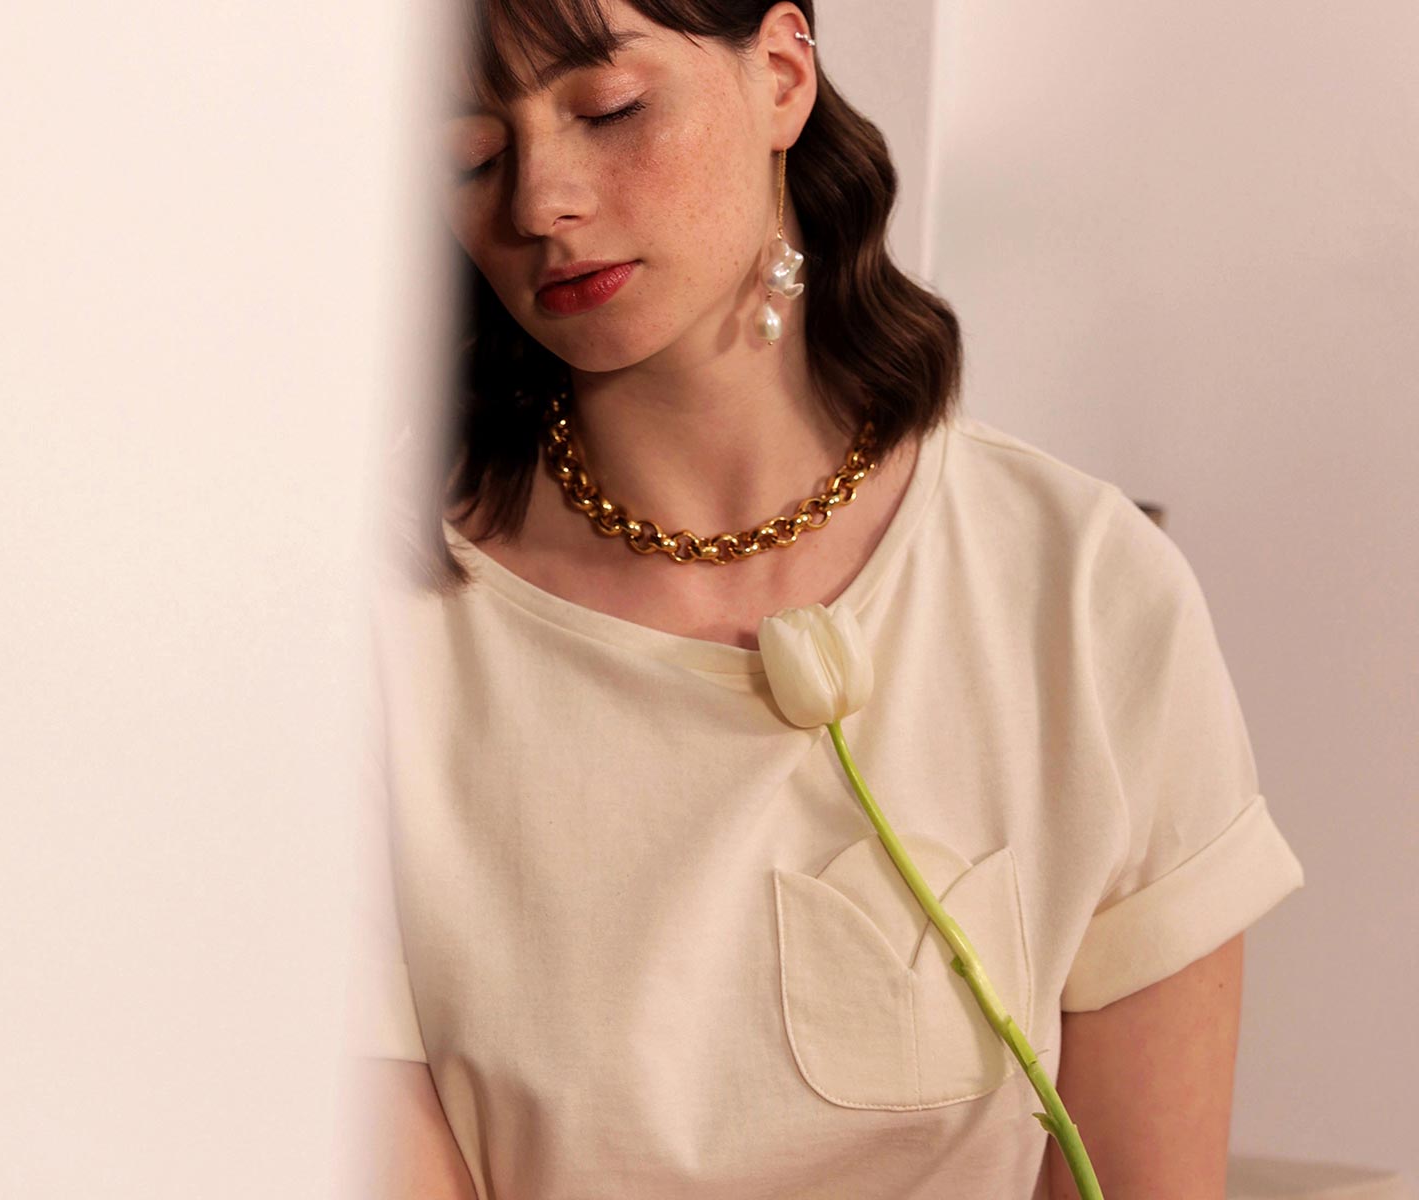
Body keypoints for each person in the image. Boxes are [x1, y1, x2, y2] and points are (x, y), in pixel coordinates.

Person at [348, 2, 1306, 1197]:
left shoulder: (1081, 592)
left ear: (783, 75)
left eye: (608, 110)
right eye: (472, 156)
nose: (538, 201)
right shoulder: (369, 643)